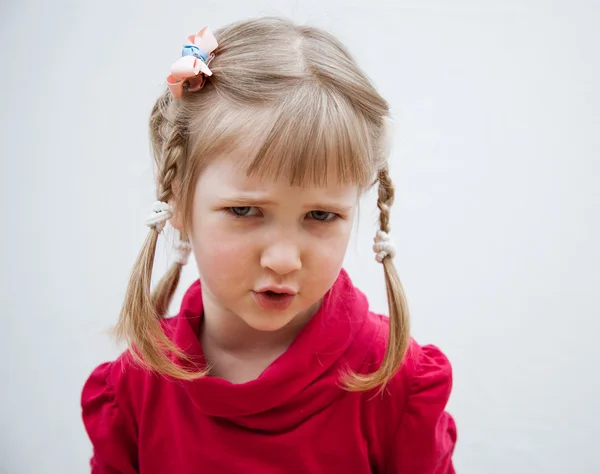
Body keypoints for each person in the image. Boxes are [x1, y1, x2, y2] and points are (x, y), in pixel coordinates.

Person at [81, 17, 457, 473]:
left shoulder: (394, 386)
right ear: (176, 200)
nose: (283, 260)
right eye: (244, 211)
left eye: (320, 215)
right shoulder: (133, 390)